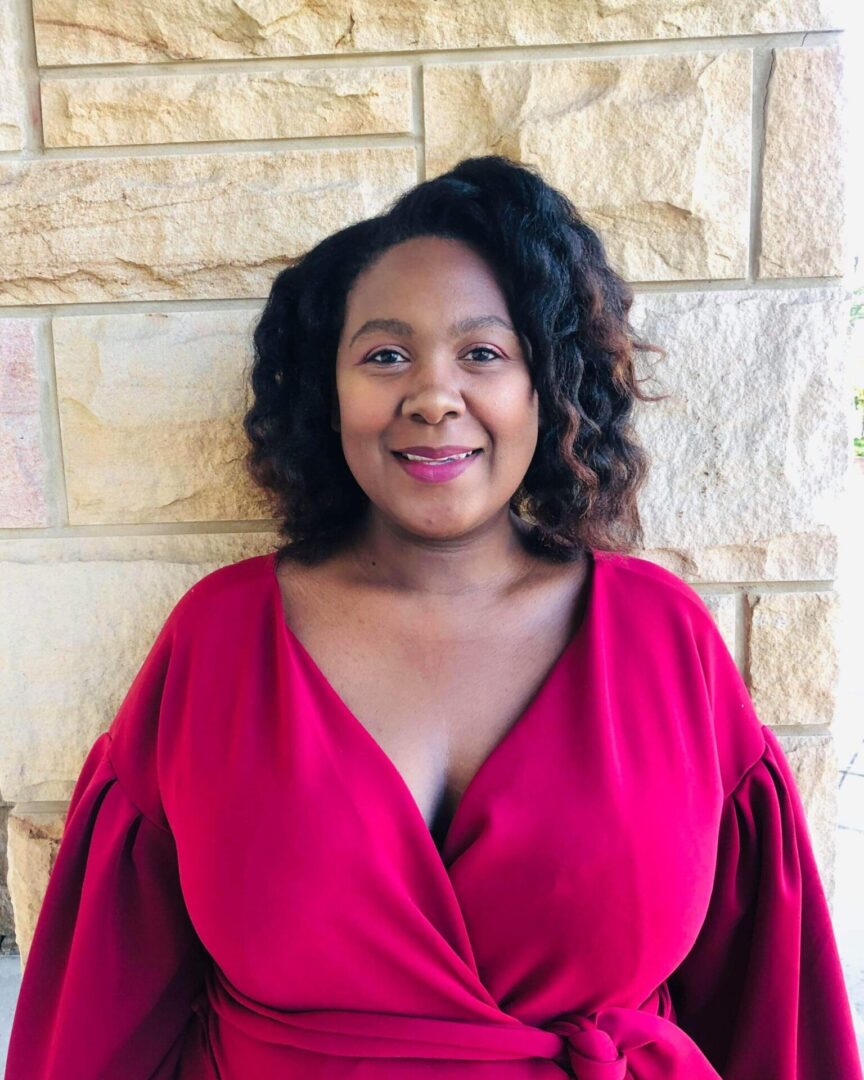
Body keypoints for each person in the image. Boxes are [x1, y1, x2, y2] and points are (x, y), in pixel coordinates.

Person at [5, 155, 861, 1079]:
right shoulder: (217, 642)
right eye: (384, 355)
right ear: (327, 394)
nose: (433, 395)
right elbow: (101, 1019)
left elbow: (772, 1011)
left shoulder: (664, 643)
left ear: (547, 387)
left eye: (484, 353)